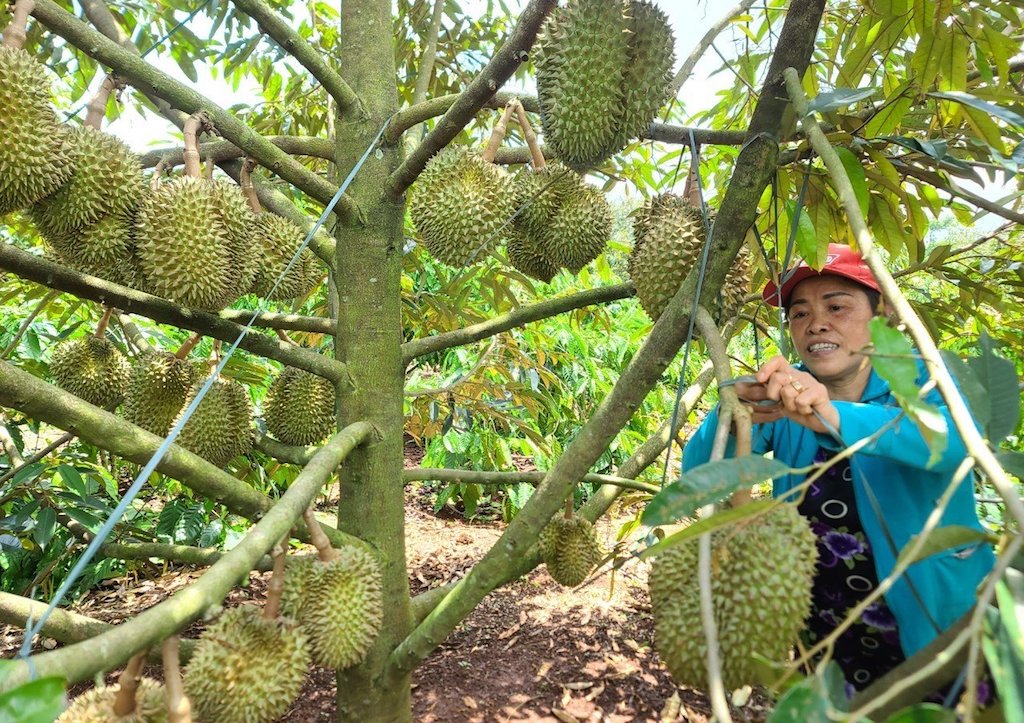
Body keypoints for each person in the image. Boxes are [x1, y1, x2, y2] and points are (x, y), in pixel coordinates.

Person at [681, 243, 996, 695]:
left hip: (935, 636)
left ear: (882, 315)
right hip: (826, 641)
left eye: (837, 306)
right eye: (800, 314)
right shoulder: (787, 393)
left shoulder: (922, 377)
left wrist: (835, 415)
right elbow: (698, 481)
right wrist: (732, 417)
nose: (817, 324)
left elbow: (952, 443)